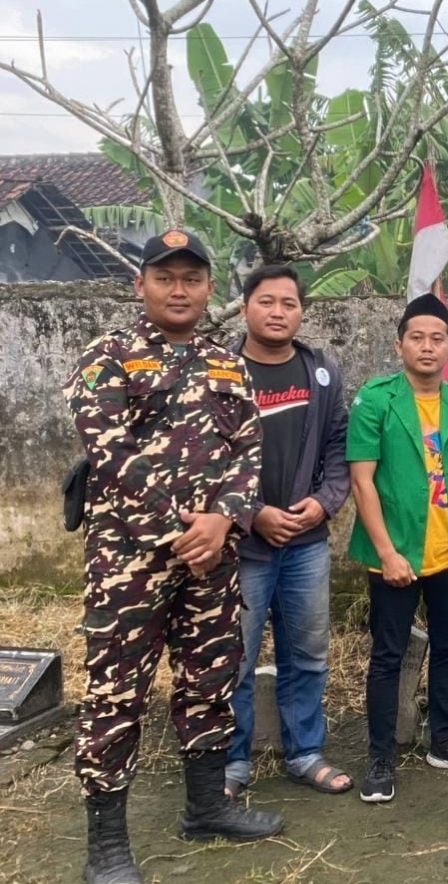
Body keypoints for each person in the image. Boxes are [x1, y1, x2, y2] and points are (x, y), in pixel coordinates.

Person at [63, 230, 283, 884]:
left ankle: (205, 808)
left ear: (209, 287)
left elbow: (249, 451)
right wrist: (184, 530)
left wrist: (224, 520)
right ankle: (106, 844)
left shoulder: (228, 363)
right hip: (129, 564)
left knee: (210, 681)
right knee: (115, 694)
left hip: (212, 562)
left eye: (191, 278)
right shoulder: (109, 358)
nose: (179, 289)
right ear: (141, 286)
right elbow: (111, 456)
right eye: (166, 278)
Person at [347, 293, 448, 804]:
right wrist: (386, 552)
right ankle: (381, 756)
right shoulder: (376, 398)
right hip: (396, 554)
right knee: (388, 655)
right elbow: (362, 481)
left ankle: (446, 739)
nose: (427, 347)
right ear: (399, 345)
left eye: (437, 338)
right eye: (417, 337)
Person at [225, 265, 352, 799]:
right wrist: (253, 513)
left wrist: (324, 504)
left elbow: (339, 448)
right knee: (236, 657)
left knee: (307, 654)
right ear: (244, 306)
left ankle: (304, 752)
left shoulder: (319, 371)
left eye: (289, 304)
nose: (278, 312)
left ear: (301, 311)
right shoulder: (221, 371)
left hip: (305, 546)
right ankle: (231, 763)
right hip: (241, 547)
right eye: (267, 302)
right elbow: (204, 457)